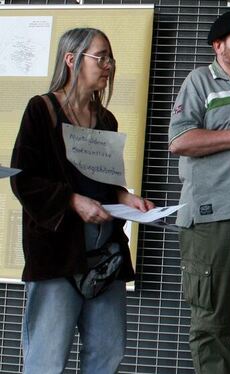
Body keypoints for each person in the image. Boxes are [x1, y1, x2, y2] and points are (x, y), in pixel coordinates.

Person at [10, 27, 154, 373]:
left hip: (105, 255)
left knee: (107, 353)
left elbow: (108, 183)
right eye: (100, 56)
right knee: (47, 354)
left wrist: (126, 198)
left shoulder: (106, 119)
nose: (108, 65)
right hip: (58, 254)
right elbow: (23, 179)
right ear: (71, 60)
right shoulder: (41, 110)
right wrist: (72, 201)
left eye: (110, 58)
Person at [168, 9, 230, 373]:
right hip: (213, 219)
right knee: (212, 325)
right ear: (218, 45)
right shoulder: (200, 82)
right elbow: (179, 140)